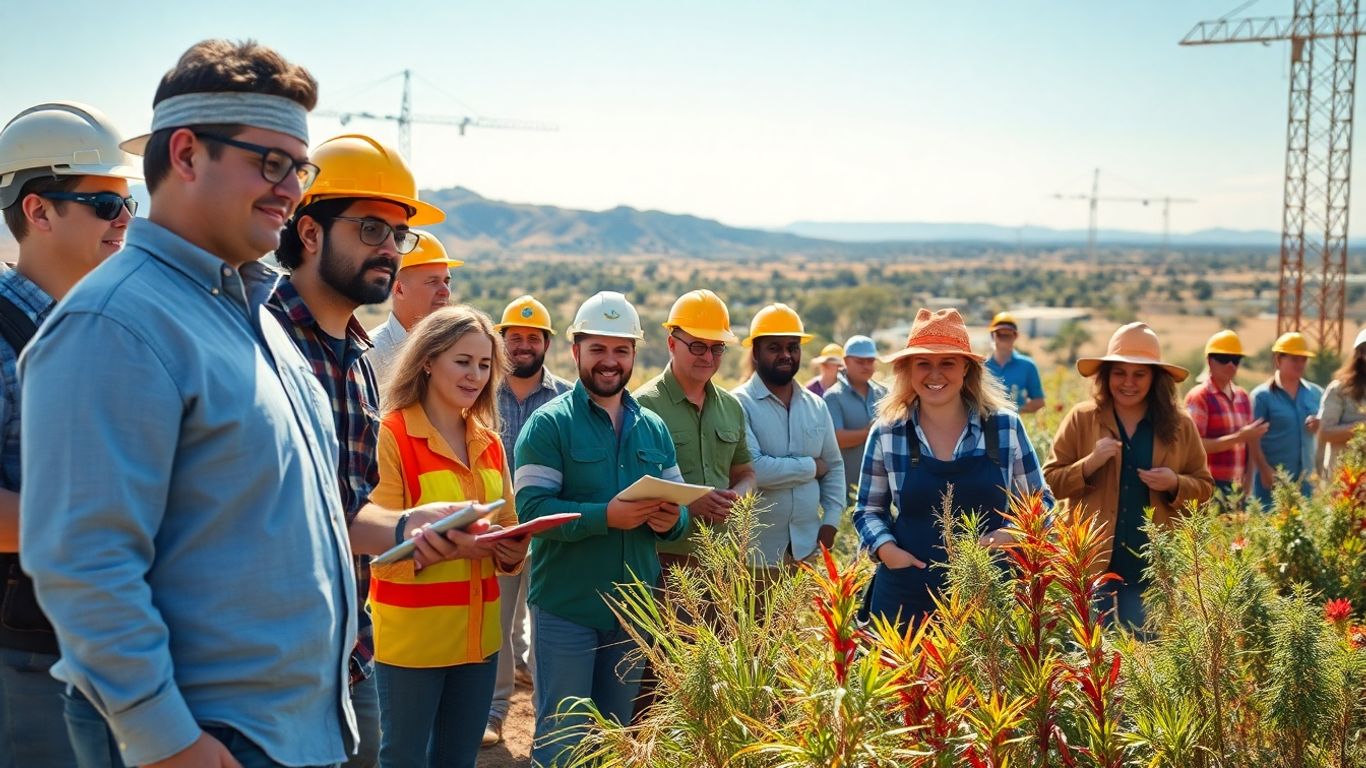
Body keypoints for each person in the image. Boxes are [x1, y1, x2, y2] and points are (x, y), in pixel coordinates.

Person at [20, 39, 361, 768]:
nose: (290, 189)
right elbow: (84, 562)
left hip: (286, 734)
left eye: (300, 168)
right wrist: (168, 743)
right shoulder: (115, 322)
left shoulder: (256, 316)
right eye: (270, 162)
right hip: (210, 741)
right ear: (184, 154)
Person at [267, 132, 459, 768]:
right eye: (371, 229)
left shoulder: (357, 359)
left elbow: (344, 512)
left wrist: (408, 526)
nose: (389, 250)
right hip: (269, 667)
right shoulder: (258, 340)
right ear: (311, 231)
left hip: (352, 654)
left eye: (396, 235)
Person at [0, 101, 142, 768]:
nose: (124, 222)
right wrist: (114, 524)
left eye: (128, 203)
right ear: (38, 210)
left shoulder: (108, 331)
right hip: (28, 658)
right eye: (103, 203)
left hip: (117, 649)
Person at [514, 291, 689, 767]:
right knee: (562, 738)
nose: (610, 362)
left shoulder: (652, 428)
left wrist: (674, 521)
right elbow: (531, 509)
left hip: (633, 613)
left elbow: (679, 511)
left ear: (634, 354)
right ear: (575, 352)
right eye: (598, 350)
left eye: (621, 350)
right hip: (567, 609)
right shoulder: (548, 425)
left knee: (613, 739)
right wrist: (603, 517)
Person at [368, 306, 528, 768]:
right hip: (412, 644)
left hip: (478, 642)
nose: (475, 375)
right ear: (427, 360)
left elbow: (510, 524)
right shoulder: (392, 435)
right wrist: (461, 546)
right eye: (463, 361)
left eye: (484, 365)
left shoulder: (490, 441)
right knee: (402, 759)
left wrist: (514, 549)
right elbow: (380, 551)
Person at [852, 309, 1053, 630]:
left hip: (988, 595)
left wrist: (1006, 537)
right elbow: (868, 510)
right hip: (904, 598)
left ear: (966, 369)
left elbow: (1041, 505)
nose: (935, 374)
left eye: (947, 362)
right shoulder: (888, 432)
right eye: (923, 364)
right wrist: (888, 551)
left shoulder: (1004, 428)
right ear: (907, 370)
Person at [633, 289, 757, 716]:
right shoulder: (643, 407)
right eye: (697, 345)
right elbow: (635, 488)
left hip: (719, 564)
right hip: (662, 564)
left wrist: (734, 500)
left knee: (711, 679)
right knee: (655, 681)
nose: (707, 356)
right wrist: (690, 507)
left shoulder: (730, 408)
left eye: (716, 347)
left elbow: (745, 473)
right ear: (671, 342)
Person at [1044, 322, 1213, 629]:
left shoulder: (1179, 425)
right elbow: (1051, 483)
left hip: (1151, 570)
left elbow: (1204, 489)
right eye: (1119, 373)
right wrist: (1090, 463)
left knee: (1145, 660)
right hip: (1091, 565)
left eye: (1139, 374)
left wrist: (1175, 483)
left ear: (1155, 378)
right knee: (1090, 663)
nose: (1128, 383)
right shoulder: (1082, 418)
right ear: (1106, 376)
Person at [484, 294, 571, 747]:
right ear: (501, 342)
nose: (522, 345)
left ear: (546, 344)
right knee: (497, 623)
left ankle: (547, 718)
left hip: (550, 530)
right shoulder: (481, 391)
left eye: (532, 337)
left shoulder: (565, 399)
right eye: (513, 337)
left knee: (547, 626)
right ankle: (495, 711)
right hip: (500, 528)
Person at [732, 303, 845, 567]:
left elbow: (835, 466)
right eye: (774, 348)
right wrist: (811, 467)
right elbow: (755, 470)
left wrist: (831, 521)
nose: (786, 355)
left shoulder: (816, 405)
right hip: (756, 556)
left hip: (808, 551)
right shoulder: (738, 404)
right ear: (756, 353)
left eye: (792, 347)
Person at [367, 231, 462, 380]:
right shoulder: (370, 355)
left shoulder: (458, 347)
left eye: (447, 282)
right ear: (399, 289)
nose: (445, 291)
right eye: (433, 282)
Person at [1184, 330, 1266, 496]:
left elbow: (1250, 445)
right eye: (1223, 359)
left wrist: (1248, 484)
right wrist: (1238, 438)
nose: (1230, 365)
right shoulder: (1199, 396)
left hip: (1238, 488)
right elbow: (1193, 446)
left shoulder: (1243, 397)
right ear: (1209, 361)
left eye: (1235, 360)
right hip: (1207, 486)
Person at [1250, 332, 1323, 504]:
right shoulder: (1261, 396)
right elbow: (1252, 439)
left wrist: (1320, 425)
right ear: (1278, 359)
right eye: (1294, 359)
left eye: (1303, 359)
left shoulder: (1315, 393)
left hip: (1306, 485)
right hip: (1273, 483)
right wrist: (1264, 469)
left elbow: (1324, 428)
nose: (1300, 364)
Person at [824, 334, 887, 502]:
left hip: (882, 491)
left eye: (870, 361)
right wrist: (872, 432)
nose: (866, 366)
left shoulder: (883, 394)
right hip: (847, 491)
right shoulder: (833, 397)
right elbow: (837, 439)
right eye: (860, 361)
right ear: (846, 361)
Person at [1317, 327, 1366, 472]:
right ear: (1361, 354)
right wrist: (1361, 428)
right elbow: (1324, 433)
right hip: (1344, 481)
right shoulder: (1339, 390)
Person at [984, 312, 1045, 414]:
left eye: (1007, 335)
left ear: (1015, 336)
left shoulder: (1028, 366)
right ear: (992, 336)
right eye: (1000, 334)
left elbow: (1039, 402)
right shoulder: (981, 367)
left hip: (1015, 426)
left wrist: (1013, 413)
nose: (1004, 338)